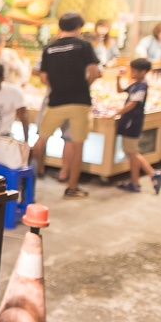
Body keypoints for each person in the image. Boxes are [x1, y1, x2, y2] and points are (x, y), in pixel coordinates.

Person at [32, 12, 101, 199]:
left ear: (60, 27)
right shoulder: (85, 45)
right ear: (79, 27)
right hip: (79, 102)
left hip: (56, 101)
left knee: (41, 140)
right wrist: (83, 86)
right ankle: (72, 188)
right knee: (77, 145)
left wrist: (58, 87)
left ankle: (26, 175)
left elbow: (44, 76)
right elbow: (94, 72)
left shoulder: (49, 48)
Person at [113, 59, 161, 193]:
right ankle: (135, 182)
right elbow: (120, 90)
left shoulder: (142, 86)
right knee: (132, 152)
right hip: (129, 122)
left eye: (134, 71)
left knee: (133, 152)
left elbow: (133, 103)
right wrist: (118, 78)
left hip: (132, 123)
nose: (132, 73)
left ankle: (153, 173)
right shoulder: (136, 84)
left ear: (143, 72)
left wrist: (116, 113)